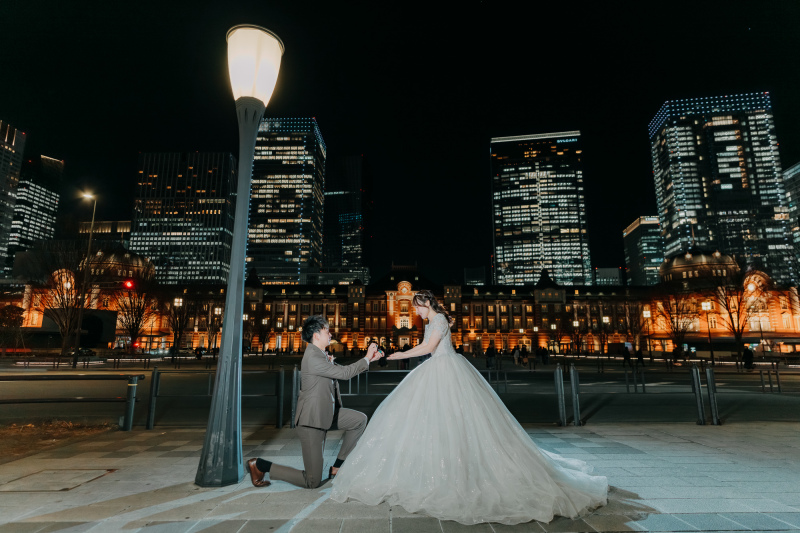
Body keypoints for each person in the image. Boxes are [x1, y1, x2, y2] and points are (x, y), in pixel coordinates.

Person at [330, 290, 607, 525]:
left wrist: (400, 353)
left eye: (417, 308)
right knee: (436, 419)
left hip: (446, 370)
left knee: (454, 419)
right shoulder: (432, 320)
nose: (416, 313)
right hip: (438, 369)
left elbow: (429, 347)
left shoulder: (437, 319)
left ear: (426, 304)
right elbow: (428, 346)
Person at [246, 316, 384, 489]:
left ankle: (338, 467)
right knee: (312, 481)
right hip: (311, 422)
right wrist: (365, 357)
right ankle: (260, 465)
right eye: (327, 331)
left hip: (326, 413)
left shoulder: (320, 355)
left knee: (359, 420)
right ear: (317, 335)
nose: (330, 334)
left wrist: (369, 360)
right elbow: (345, 374)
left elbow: (341, 370)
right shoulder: (313, 357)